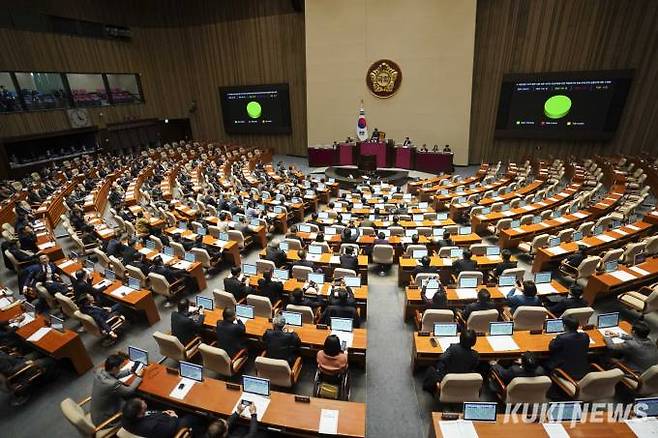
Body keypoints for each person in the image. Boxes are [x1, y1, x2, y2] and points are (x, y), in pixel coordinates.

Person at [91, 353, 144, 426]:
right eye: (120, 367)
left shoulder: (100, 371)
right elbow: (129, 391)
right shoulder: (112, 384)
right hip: (105, 419)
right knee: (132, 407)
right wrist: (139, 376)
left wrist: (130, 371)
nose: (120, 369)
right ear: (114, 368)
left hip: (96, 412)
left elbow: (114, 375)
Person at [121, 397, 204, 438]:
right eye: (142, 403)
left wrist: (161, 413)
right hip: (173, 428)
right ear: (139, 414)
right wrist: (174, 417)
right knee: (192, 417)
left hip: (161, 420)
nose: (143, 401)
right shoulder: (151, 427)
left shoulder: (127, 416)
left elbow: (148, 414)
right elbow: (170, 430)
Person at [545, 315, 590, 379]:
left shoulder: (561, 338)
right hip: (584, 370)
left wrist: (554, 339)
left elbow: (551, 348)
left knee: (545, 363)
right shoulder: (585, 336)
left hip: (566, 373)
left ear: (565, 326)